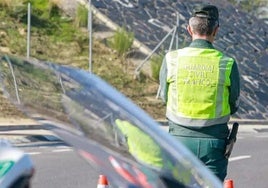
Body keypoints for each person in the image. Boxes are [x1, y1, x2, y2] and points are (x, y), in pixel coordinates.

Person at [159, 4, 240, 182]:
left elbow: (165, 97)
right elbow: (233, 104)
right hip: (214, 144)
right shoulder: (227, 63)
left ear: (189, 30)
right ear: (216, 31)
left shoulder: (171, 59)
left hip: (178, 140)